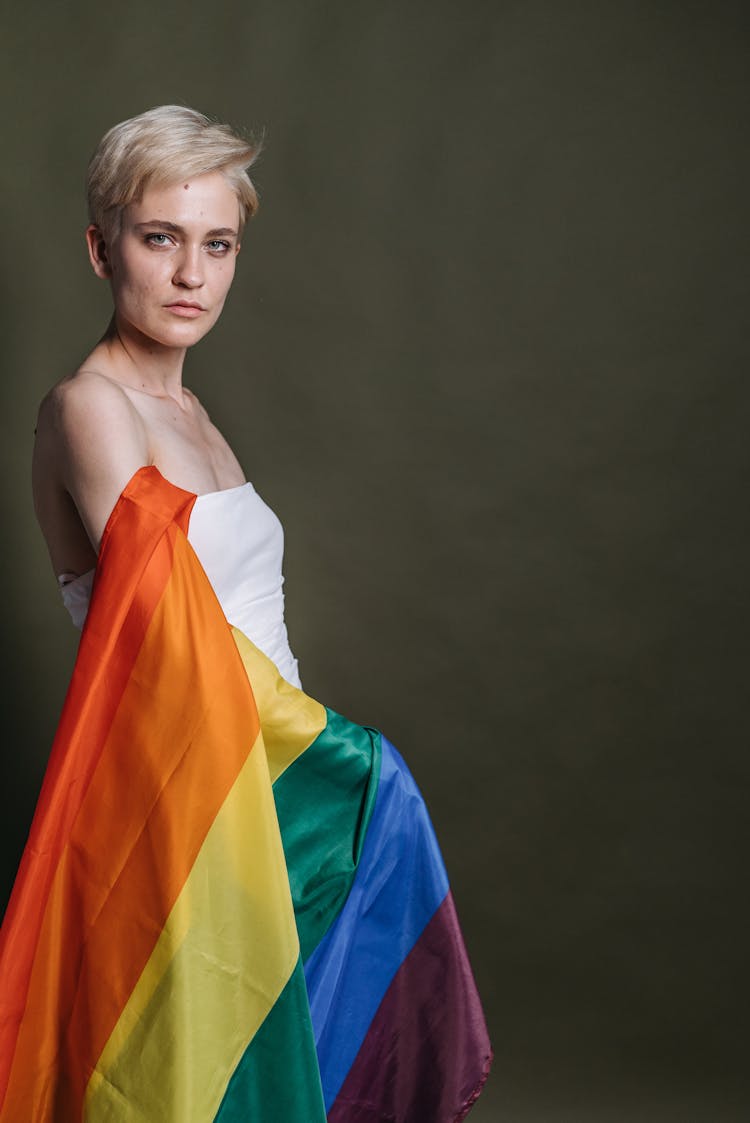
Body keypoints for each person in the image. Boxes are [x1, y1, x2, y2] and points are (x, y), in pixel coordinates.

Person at [0, 106, 491, 1121]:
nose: (191, 275)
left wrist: (308, 764)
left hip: (267, 772)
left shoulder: (196, 417)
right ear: (101, 249)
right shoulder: (89, 408)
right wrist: (343, 763)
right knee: (200, 1082)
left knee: (282, 1066)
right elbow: (176, 637)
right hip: (189, 790)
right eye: (159, 239)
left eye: (216, 244)